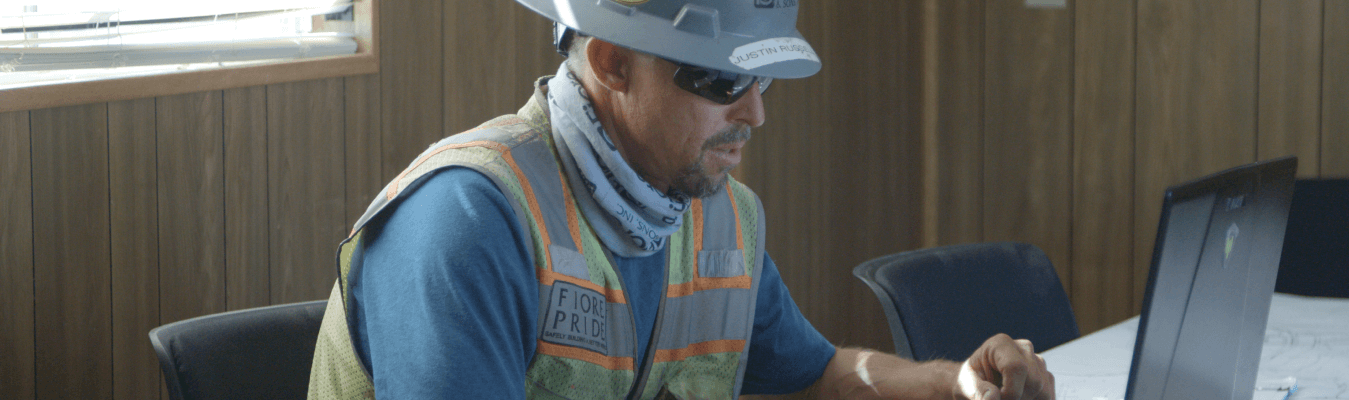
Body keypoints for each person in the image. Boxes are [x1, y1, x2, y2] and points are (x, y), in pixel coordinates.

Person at [307, 0, 1054, 398]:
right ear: (612, 63)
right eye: (722, 81)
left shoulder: (721, 217)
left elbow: (817, 376)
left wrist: (955, 385)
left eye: (762, 80)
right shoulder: (467, 222)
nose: (755, 112)